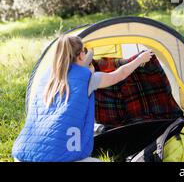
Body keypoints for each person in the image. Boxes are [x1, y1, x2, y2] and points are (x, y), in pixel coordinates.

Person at [12, 34, 152, 162]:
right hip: (57, 157)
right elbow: (120, 74)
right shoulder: (89, 79)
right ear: (80, 56)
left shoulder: (45, 78)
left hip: (22, 153)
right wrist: (140, 59)